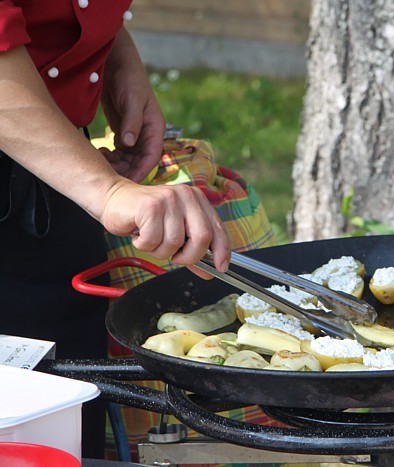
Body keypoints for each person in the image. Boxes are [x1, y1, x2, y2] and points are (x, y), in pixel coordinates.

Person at [0, 1, 232, 458]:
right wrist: (106, 192)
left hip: (53, 176)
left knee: (61, 417)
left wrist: (110, 57)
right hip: (66, 177)